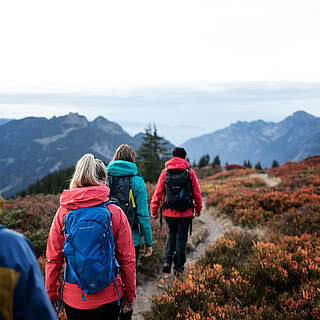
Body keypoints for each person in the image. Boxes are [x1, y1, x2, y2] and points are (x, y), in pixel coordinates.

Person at [45, 154, 136, 320]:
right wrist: (130, 294)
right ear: (103, 179)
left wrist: (51, 294)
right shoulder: (114, 213)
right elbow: (127, 259)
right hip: (109, 293)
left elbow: (53, 258)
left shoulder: (63, 213)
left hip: (74, 297)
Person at [106, 144, 152, 320]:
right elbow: (142, 215)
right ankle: (126, 313)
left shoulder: (104, 177)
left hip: (106, 239)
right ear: (132, 159)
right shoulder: (137, 181)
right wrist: (149, 242)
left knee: (109, 280)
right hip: (132, 240)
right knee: (128, 279)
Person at [151, 147, 202, 274]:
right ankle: (178, 267)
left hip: (169, 212)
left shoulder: (165, 172)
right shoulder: (190, 173)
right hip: (186, 212)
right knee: (181, 238)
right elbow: (197, 193)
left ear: (172, 156)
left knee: (171, 234)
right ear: (184, 157)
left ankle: (167, 262)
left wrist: (154, 210)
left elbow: (158, 193)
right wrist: (198, 209)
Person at [0, 225, 57, 320]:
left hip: (72, 295)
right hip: (80, 296)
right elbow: (38, 312)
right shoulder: (13, 246)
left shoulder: (64, 211)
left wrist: (51, 292)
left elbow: (53, 259)